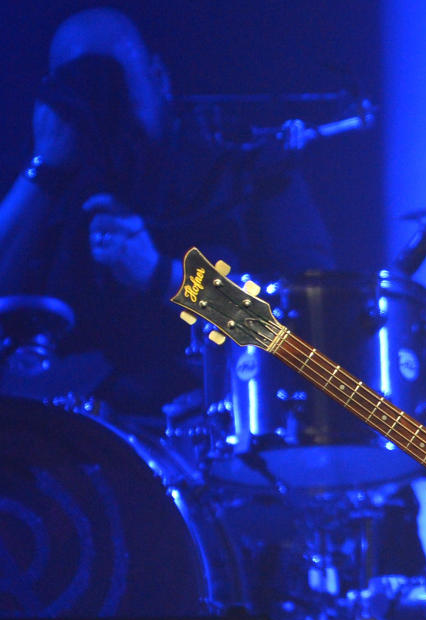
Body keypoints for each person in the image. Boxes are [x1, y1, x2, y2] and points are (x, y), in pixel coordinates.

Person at [0, 7, 334, 415]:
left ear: (158, 76)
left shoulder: (242, 167)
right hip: (75, 446)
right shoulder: (51, 179)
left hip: (216, 436)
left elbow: (306, 329)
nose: (108, 108)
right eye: (86, 89)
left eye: (118, 85)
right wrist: (43, 169)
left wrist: (162, 275)